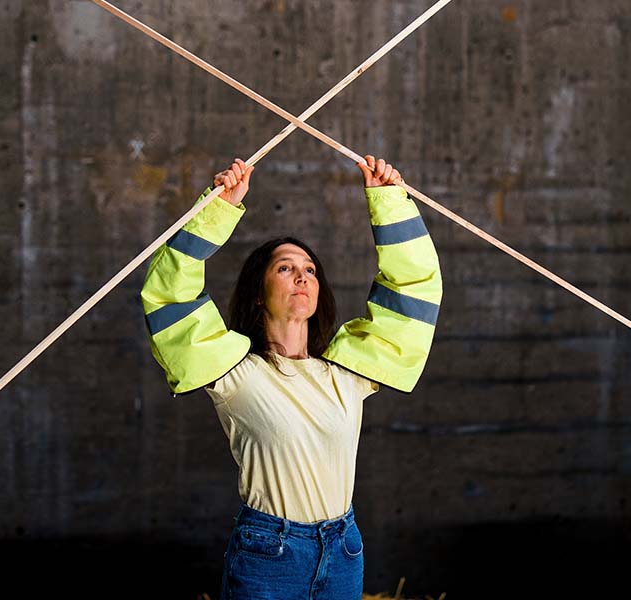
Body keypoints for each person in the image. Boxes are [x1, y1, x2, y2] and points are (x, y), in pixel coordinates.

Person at [139, 155, 442, 600]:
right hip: (268, 556)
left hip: (344, 552)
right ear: (259, 296)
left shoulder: (348, 373)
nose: (302, 275)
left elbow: (414, 292)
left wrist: (389, 201)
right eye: (285, 268)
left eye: (310, 270)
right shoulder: (234, 373)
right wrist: (217, 208)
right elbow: (170, 295)